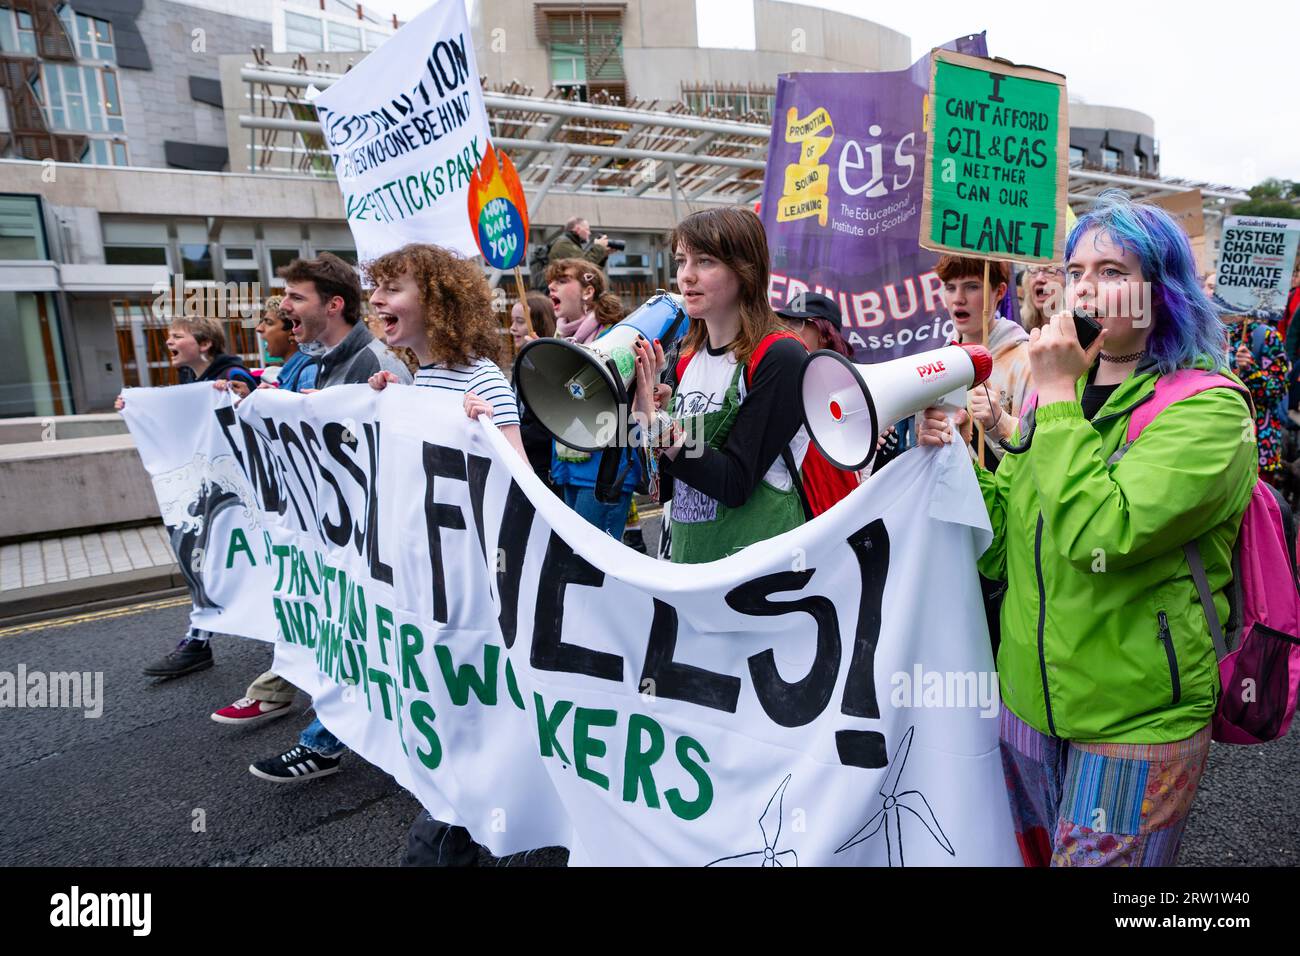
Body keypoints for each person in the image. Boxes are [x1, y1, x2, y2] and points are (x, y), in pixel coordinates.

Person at [920, 190, 1255, 867]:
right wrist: (951, 460)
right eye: (1076, 272)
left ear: (1161, 292)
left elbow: (1099, 538)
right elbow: (1009, 545)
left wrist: (1057, 401)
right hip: (1028, 705)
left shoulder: (1210, 412)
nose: (1085, 289)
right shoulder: (1061, 396)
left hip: (1134, 719)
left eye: (1112, 272)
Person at [362, 242, 530, 867]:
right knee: (452, 714)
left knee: (468, 720)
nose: (377, 299)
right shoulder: (414, 381)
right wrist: (390, 402)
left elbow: (521, 488)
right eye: (375, 287)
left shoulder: (482, 378)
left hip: (471, 589)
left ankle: (446, 836)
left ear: (437, 301)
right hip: (427, 584)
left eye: (393, 287)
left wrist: (484, 427)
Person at [228, 255, 411, 760]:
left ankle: (324, 742)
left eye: (296, 297)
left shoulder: (377, 363)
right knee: (338, 634)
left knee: (357, 637)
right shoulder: (312, 361)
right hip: (331, 532)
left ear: (333, 305)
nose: (285, 306)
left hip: (368, 537)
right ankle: (338, 733)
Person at [631, 206, 809, 564]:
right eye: (682, 261)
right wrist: (637, 417)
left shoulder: (781, 356)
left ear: (746, 271)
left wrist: (660, 428)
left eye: (706, 261)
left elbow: (734, 483)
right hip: (690, 565)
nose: (686, 276)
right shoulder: (684, 358)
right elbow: (660, 488)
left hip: (758, 572)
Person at [115, 315, 256, 679]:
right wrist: (136, 409)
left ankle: (204, 642)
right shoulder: (191, 381)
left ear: (204, 344)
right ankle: (197, 641)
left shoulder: (232, 375)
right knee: (204, 563)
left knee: (231, 565)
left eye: (177, 336)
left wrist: (239, 394)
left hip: (240, 498)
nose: (169, 343)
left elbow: (250, 408)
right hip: (208, 496)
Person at [545, 261, 641, 536]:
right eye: (552, 281)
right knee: (573, 563)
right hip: (567, 469)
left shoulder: (616, 337)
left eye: (562, 280)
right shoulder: (560, 338)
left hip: (604, 472)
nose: (552, 286)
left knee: (593, 570)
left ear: (588, 291)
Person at [937, 255, 1034, 470]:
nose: (958, 299)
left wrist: (998, 422)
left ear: (999, 291)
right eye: (950, 287)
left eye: (971, 287)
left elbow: (1039, 451)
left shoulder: (1025, 360)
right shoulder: (939, 362)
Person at [776, 291, 861, 515]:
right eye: (783, 322)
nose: (785, 329)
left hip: (837, 515)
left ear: (824, 334)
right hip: (796, 513)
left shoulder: (854, 387)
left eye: (797, 322)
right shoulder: (777, 376)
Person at [1226, 312, 1290, 484]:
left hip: (1259, 436)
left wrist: (1251, 370)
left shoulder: (1267, 336)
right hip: (1224, 434)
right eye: (1208, 286)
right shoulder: (1212, 333)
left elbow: (1277, 390)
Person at [510, 292, 561, 490]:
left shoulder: (549, 368)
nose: (512, 328)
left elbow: (546, 427)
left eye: (520, 321)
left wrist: (508, 435)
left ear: (538, 325)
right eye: (512, 321)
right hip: (524, 463)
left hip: (544, 470)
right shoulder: (521, 363)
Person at [547, 258, 623, 344]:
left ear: (587, 292)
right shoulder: (559, 333)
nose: (550, 286)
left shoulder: (612, 334)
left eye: (562, 281)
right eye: (550, 282)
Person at [1018, 262, 1066, 332]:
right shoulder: (1019, 328)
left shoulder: (1081, 331)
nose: (1039, 278)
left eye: (1050, 272)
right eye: (1034, 271)